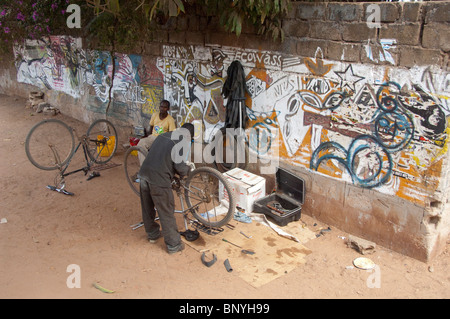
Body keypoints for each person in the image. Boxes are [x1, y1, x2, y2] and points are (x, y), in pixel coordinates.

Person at [138, 123, 195, 254]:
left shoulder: (163, 135)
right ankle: (174, 245)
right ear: (189, 136)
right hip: (158, 180)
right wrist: (188, 170)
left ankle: (152, 235)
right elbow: (180, 168)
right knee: (166, 211)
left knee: (147, 208)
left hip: (143, 175)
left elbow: (157, 154)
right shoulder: (182, 142)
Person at [137, 100, 176, 165]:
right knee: (141, 144)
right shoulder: (155, 115)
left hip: (162, 140)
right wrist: (147, 136)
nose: (162, 109)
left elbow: (172, 134)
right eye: (161, 106)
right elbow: (150, 128)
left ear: (168, 109)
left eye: (165, 107)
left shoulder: (170, 119)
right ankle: (143, 166)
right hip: (153, 137)